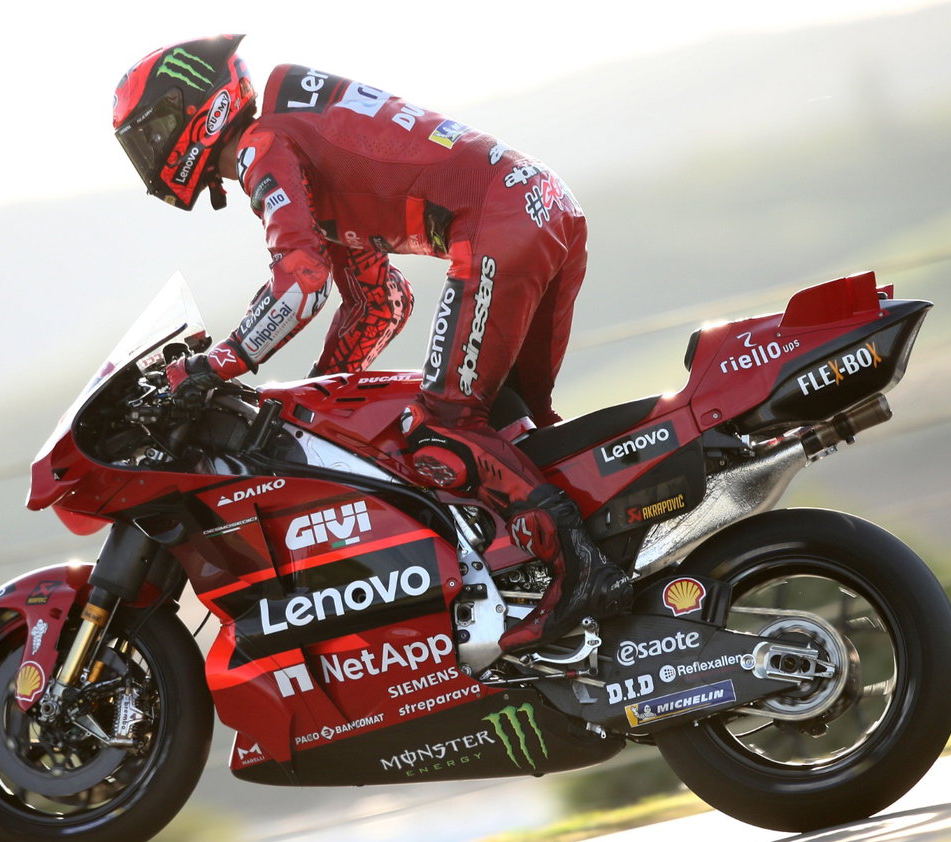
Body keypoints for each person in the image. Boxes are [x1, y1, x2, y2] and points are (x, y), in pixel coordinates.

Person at [111, 34, 629, 652]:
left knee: (443, 426)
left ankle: (583, 577)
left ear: (199, 105)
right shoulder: (294, 129)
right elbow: (379, 302)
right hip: (544, 204)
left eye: (156, 128)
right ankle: (612, 552)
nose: (152, 151)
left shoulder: (261, 146)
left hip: (502, 222)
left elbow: (301, 283)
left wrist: (213, 366)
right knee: (518, 426)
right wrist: (315, 402)